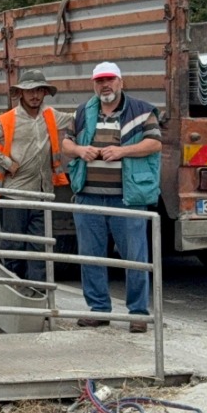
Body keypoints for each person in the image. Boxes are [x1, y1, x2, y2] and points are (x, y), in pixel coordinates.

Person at [62, 62, 162, 333]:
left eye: (109, 80)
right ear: (93, 85)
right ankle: (98, 310)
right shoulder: (83, 111)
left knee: (135, 258)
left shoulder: (142, 110)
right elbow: (66, 144)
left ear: (121, 82)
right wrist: (81, 150)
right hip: (88, 197)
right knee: (91, 256)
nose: (104, 85)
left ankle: (138, 313)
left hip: (127, 197)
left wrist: (121, 151)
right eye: (99, 81)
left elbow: (154, 143)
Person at [0, 69, 66, 285]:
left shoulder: (51, 115)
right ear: (20, 93)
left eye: (39, 90)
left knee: (39, 249)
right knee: (14, 247)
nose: (35, 95)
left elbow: (77, 119)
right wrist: (6, 163)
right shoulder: (7, 120)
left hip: (43, 194)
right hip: (15, 195)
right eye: (30, 91)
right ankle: (14, 293)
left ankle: (37, 294)